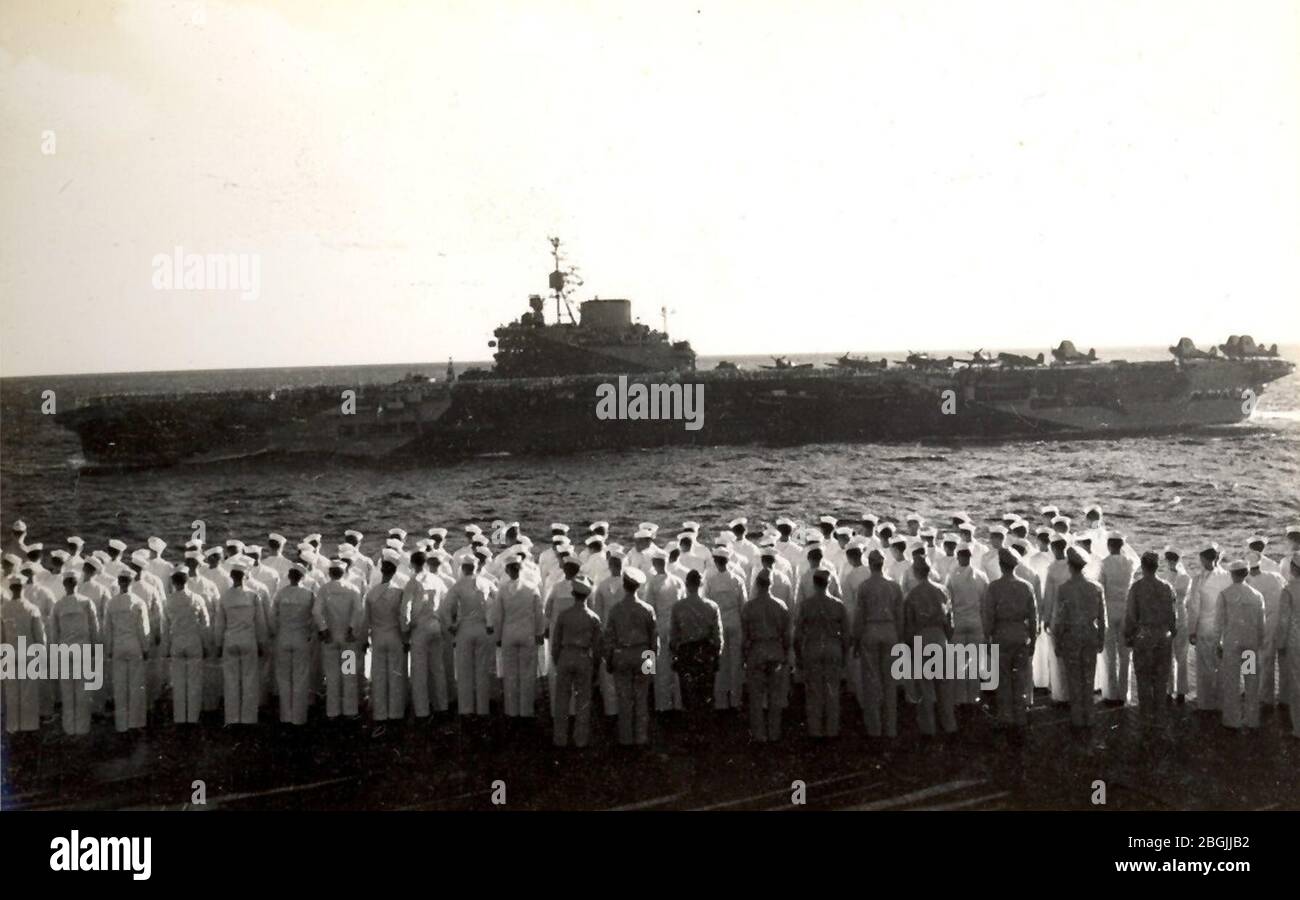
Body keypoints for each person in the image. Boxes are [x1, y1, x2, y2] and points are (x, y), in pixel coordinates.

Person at [982, 548, 1037, 730]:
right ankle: (1020, 716)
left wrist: (986, 638)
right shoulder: (1026, 586)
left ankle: (1006, 717)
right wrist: (1033, 642)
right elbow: (1033, 617)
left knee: (1003, 679)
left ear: (1000, 565)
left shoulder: (994, 587)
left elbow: (988, 617)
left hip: (1001, 635)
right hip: (1021, 636)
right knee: (1020, 678)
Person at [1051, 548, 1106, 730]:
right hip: (1090, 634)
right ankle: (1089, 718)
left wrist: (1057, 642)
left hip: (1072, 636)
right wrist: (1101, 640)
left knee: (1074, 679)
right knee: (1088, 679)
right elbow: (1102, 617)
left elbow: (1060, 619)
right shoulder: (1096, 587)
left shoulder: (1064, 589)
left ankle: (1077, 719)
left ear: (1070, 566)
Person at [1123, 552, 1177, 732]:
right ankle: (1160, 717)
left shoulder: (1136, 588)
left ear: (1142, 565)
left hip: (1144, 635)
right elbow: (1172, 615)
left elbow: (1131, 615)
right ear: (1157, 566)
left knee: (1143, 678)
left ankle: (1145, 718)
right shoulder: (1167, 587)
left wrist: (1128, 635)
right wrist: (1171, 632)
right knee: (1161, 678)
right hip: (1163, 634)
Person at [853, 550, 904, 738]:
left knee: (871, 682)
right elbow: (900, 617)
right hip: (890, 631)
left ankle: (874, 729)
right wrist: (899, 639)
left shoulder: (864, 586)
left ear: (869, 564)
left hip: (871, 630)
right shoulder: (894, 586)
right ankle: (890, 728)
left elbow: (859, 616)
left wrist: (856, 639)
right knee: (890, 682)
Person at [902, 562, 957, 737]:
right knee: (944, 686)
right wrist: (947, 638)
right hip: (939, 637)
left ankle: (928, 728)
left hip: (921, 637)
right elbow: (950, 620)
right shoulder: (941, 590)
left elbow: (909, 624)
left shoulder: (912, 595)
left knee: (924, 687)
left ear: (916, 573)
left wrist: (909, 645)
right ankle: (949, 725)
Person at [605, 567, 657, 746]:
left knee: (624, 699)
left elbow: (609, 637)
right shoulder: (647, 609)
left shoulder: (615, 609)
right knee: (642, 698)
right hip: (643, 654)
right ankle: (641, 737)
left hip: (622, 654)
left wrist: (609, 660)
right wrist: (651, 667)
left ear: (624, 584)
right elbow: (653, 639)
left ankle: (625, 739)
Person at [795, 569, 850, 738]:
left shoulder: (806, 605)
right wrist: (844, 655)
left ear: (814, 583)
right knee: (832, 691)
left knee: (814, 692)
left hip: (813, 646)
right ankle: (832, 730)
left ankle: (815, 730)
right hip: (833, 646)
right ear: (829, 583)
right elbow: (846, 634)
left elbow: (798, 634)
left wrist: (798, 656)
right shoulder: (838, 605)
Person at [214, 563, 268, 725]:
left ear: (232, 577)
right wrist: (262, 643)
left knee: (231, 680)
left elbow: (219, 624)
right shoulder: (253, 596)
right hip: (248, 640)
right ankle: (248, 718)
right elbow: (260, 623)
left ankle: (232, 718)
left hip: (230, 640)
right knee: (249, 679)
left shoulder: (225, 596)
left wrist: (218, 644)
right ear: (246, 576)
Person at [670, 569, 724, 732]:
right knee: (706, 693)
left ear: (686, 585)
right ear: (701, 584)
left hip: (687, 652)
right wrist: (717, 655)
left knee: (688, 693)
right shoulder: (711, 606)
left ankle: (691, 729)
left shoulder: (678, 607)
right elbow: (717, 635)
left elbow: (674, 635)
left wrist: (674, 655)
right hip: (705, 651)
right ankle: (705, 730)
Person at [552, 576, 603, 748]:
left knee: (562, 699)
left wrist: (556, 659)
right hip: (583, 657)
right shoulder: (593, 618)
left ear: (573, 594)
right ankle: (580, 739)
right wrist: (595, 666)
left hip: (566, 655)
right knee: (583, 701)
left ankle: (560, 738)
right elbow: (597, 647)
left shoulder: (564, 615)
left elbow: (556, 642)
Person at [1215, 559, 1265, 732]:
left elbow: (1218, 623)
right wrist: (1260, 641)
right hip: (1249, 644)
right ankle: (1252, 719)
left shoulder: (1224, 594)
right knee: (1251, 681)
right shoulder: (1256, 595)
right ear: (1246, 573)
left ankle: (1232, 719)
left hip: (1232, 645)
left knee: (1232, 681)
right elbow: (1261, 623)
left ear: (1232, 574)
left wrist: (1217, 643)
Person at [48, 571, 100, 736]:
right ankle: (82, 728)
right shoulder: (86, 602)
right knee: (82, 692)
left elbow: (54, 633)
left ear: (64, 585)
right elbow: (94, 629)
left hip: (64, 651)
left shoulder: (58, 605)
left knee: (68, 692)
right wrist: (95, 649)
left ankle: (69, 728)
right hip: (82, 650)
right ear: (77, 583)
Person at [313, 559, 365, 719]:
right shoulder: (352, 589)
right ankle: (350, 711)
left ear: (330, 573)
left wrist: (323, 630)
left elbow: (316, 612)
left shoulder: (324, 589)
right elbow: (358, 612)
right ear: (344, 572)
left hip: (330, 639)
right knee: (348, 675)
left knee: (332, 675)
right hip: (347, 640)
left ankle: (332, 711)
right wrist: (351, 629)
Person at [741, 569, 789, 742]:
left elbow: (745, 636)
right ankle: (774, 733)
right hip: (775, 650)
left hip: (757, 651)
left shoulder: (749, 606)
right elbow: (786, 635)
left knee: (756, 696)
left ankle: (759, 734)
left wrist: (743, 656)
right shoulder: (780, 605)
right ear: (771, 585)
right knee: (775, 696)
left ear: (757, 584)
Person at [496, 556, 545, 721]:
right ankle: (526, 711)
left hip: (509, 634)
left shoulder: (502, 589)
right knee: (527, 674)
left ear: (507, 570)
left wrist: (497, 636)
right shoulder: (532, 588)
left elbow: (498, 615)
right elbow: (539, 613)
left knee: (510, 674)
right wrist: (539, 633)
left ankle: (511, 711)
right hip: (527, 634)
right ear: (520, 568)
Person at [447, 559, 497, 720]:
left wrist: (451, 625)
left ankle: (466, 709)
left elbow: (446, 607)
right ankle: (482, 709)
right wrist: (490, 621)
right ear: (477, 568)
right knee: (482, 670)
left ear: (463, 568)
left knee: (464, 671)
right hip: (483, 629)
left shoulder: (458, 585)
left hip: (465, 630)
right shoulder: (487, 583)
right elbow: (497, 602)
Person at [160, 568, 209, 726]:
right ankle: (193, 717)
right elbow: (205, 624)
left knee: (179, 682)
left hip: (177, 642)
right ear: (187, 581)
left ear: (173, 583)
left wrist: (166, 648)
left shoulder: (168, 600)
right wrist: (205, 644)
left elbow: (165, 627)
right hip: (194, 641)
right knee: (193, 681)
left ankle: (180, 717)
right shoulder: (197, 599)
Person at [364, 554, 409, 722]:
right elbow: (403, 618)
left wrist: (364, 641)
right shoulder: (399, 593)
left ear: (381, 571)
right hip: (395, 637)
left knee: (379, 676)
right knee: (395, 676)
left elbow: (365, 621)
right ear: (395, 571)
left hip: (378, 638)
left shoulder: (371, 593)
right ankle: (395, 713)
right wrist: (406, 640)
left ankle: (380, 713)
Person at [405, 551, 450, 718]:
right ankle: (442, 706)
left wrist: (406, 630)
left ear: (413, 564)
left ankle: (422, 711)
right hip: (435, 626)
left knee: (419, 672)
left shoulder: (413, 582)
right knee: (437, 669)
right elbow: (446, 603)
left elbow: (406, 609)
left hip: (420, 629)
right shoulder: (437, 580)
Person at [104, 571, 150, 732]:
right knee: (136, 684)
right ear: (132, 582)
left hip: (118, 645)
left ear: (119, 582)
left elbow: (107, 629)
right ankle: (136, 723)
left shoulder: (111, 603)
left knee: (120, 685)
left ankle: (121, 723)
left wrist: (109, 648)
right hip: (134, 644)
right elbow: (143, 629)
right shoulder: (138, 602)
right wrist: (145, 648)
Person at [1187, 544, 1232, 712]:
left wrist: (1192, 630)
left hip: (1205, 627)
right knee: (1221, 665)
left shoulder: (1198, 580)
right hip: (1222, 627)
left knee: (1204, 666)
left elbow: (1194, 608)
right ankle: (1221, 701)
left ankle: (1205, 703)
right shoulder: (1226, 576)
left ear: (1204, 559)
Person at [270, 564, 315, 725]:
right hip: (301, 637)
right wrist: (309, 633)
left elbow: (272, 617)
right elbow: (315, 618)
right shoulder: (308, 594)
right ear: (302, 577)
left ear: (289, 576)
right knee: (300, 677)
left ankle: (285, 716)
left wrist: (276, 633)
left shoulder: (280, 594)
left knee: (283, 678)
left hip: (283, 638)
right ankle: (298, 717)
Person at [944, 546, 988, 709]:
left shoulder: (952, 576)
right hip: (976, 621)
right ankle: (974, 697)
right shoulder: (981, 576)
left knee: (959, 661)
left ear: (958, 557)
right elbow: (985, 601)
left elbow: (948, 601)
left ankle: (960, 697)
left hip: (960, 621)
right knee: (974, 660)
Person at [704, 547, 747, 710]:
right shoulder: (737, 580)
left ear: (715, 562)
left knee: (721, 662)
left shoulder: (711, 580)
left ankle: (721, 701)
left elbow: (707, 604)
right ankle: (735, 700)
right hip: (735, 621)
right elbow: (743, 604)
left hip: (719, 622)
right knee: (735, 661)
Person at [643, 548, 685, 712]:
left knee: (658, 665)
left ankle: (662, 705)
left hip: (659, 624)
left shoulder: (652, 583)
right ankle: (678, 703)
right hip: (675, 625)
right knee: (675, 663)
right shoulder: (677, 581)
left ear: (655, 563)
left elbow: (649, 608)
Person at [1, 576, 44, 733]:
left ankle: (13, 727)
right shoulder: (32, 609)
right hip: (28, 655)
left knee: (12, 693)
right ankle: (28, 726)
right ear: (23, 588)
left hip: (9, 655)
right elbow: (39, 636)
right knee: (28, 693)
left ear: (11, 589)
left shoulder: (3, 610)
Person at [1099, 534, 1137, 704]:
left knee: (1110, 654)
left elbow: (1101, 587)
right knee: (1125, 654)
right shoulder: (1129, 562)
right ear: (1122, 546)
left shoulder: (1104, 563)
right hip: (1125, 609)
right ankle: (1124, 694)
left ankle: (1111, 694)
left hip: (1109, 608)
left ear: (1109, 546)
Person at [1245, 552, 1287, 707]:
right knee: (1270, 660)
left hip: (1257, 625)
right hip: (1277, 623)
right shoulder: (1275, 576)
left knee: (1250, 658)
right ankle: (1273, 696)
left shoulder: (1248, 583)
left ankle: (1255, 692)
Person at [1162, 548, 1193, 703]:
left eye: (1171, 560)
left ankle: (1180, 691)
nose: (1170, 562)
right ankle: (1170, 690)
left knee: (1180, 655)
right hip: (1172, 615)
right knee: (1170, 655)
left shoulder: (1183, 577)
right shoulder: (1174, 576)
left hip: (1179, 615)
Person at [1277, 553, 1300, 738]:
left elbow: (1284, 620)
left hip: (1295, 638)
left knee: (1296, 683)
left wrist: (1281, 642)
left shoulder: (1289, 589)